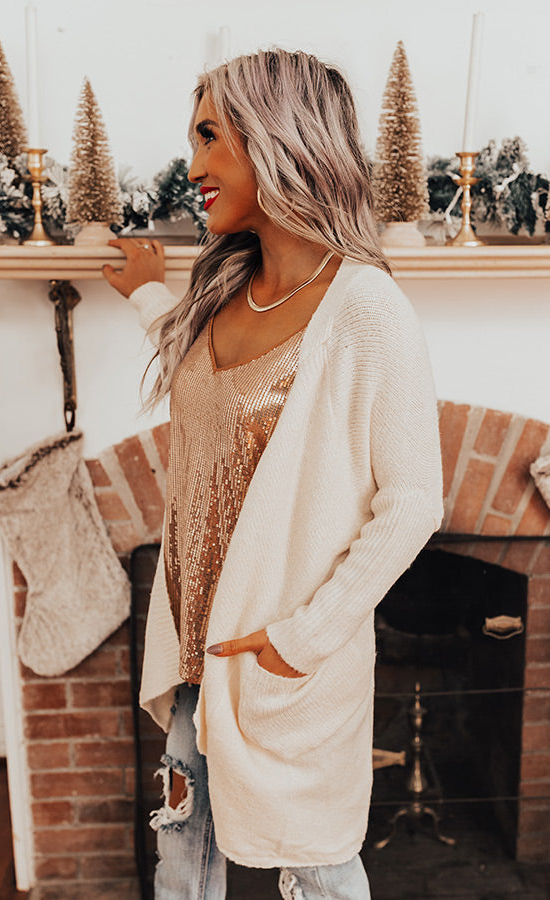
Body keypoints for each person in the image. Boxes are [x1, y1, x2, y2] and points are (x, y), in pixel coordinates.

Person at [103, 48, 443, 900]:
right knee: (182, 869)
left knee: (318, 870)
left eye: (209, 137)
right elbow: (216, 391)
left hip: (278, 659)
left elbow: (412, 503)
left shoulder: (366, 309)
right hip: (193, 653)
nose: (192, 166)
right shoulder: (225, 290)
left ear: (277, 138)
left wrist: (301, 640)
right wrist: (145, 292)